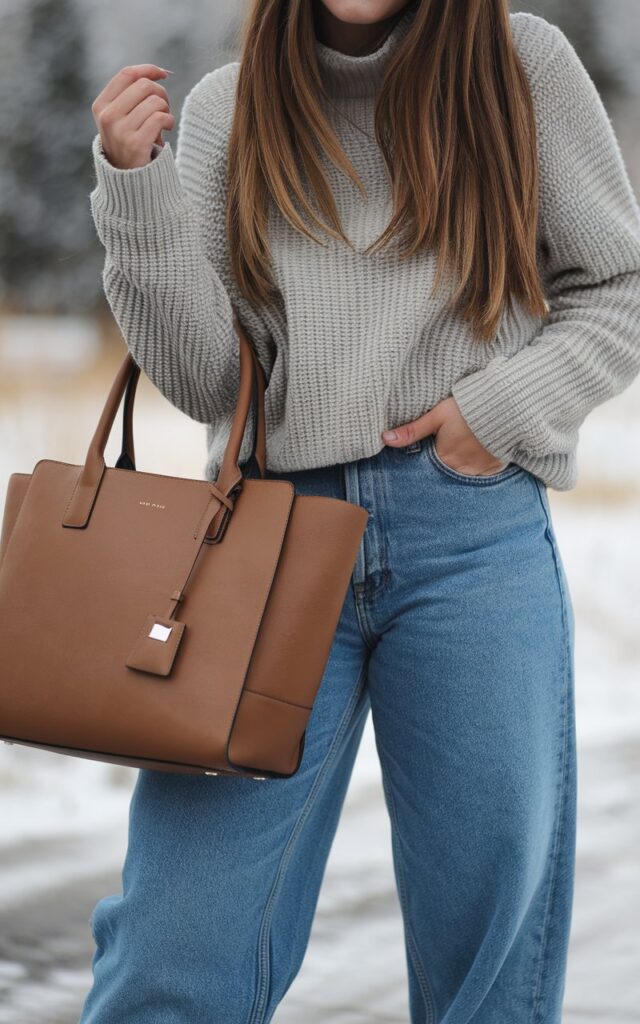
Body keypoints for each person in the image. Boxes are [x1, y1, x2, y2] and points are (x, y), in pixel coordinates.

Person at [80, 1, 640, 1021]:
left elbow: (619, 284)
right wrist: (136, 193)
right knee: (176, 940)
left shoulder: (523, 67)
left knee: (489, 963)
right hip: (268, 549)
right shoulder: (231, 107)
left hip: (469, 536)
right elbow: (208, 380)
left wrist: (493, 411)